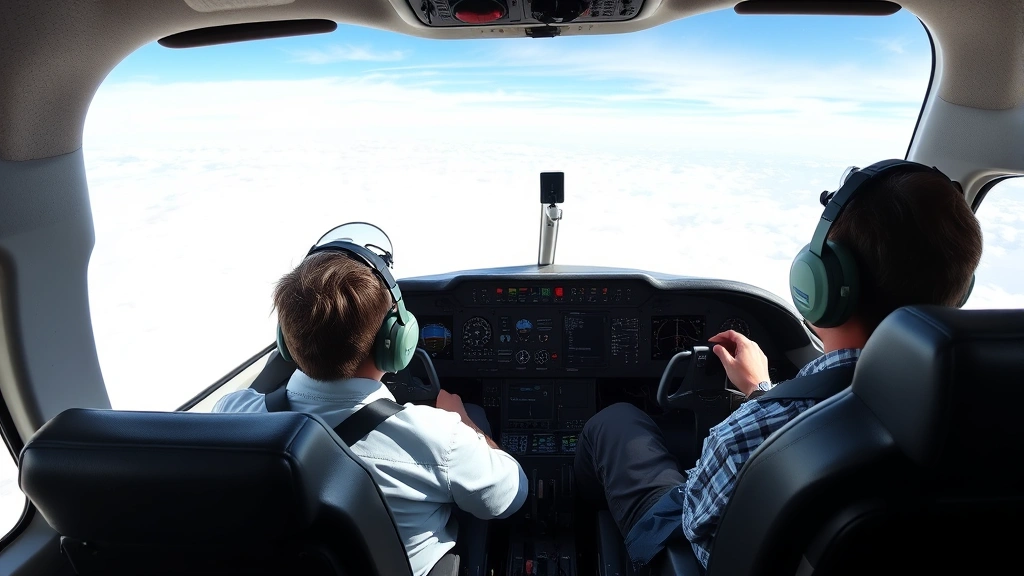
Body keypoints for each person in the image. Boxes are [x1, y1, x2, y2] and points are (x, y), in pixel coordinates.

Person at [573, 161, 983, 569]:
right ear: (961, 288)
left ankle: (573, 525)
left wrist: (764, 407)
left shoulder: (745, 439)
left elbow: (693, 522)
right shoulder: (986, 409)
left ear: (819, 282)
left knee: (615, 422)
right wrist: (762, 391)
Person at [214, 249, 528, 576]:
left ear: (285, 339)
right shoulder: (439, 437)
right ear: (394, 341)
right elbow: (511, 495)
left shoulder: (232, 416)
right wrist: (466, 423)